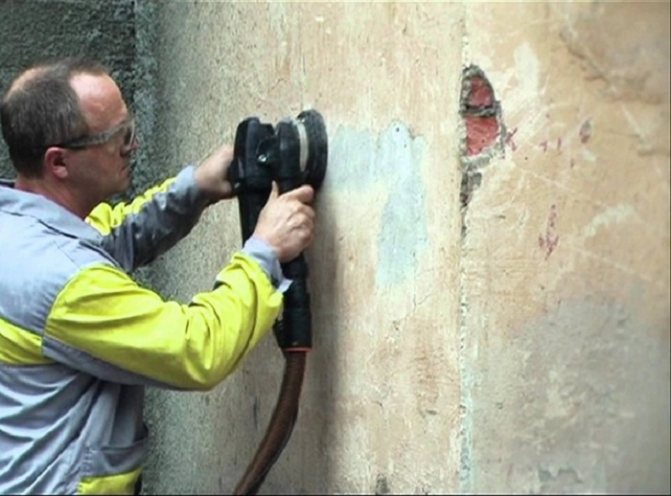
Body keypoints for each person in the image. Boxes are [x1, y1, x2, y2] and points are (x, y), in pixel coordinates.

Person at [0, 57, 316, 494]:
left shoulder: (20, 226)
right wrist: (264, 252)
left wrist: (196, 188)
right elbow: (195, 349)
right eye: (119, 137)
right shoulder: (60, 280)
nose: (134, 145)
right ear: (59, 163)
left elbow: (108, 235)